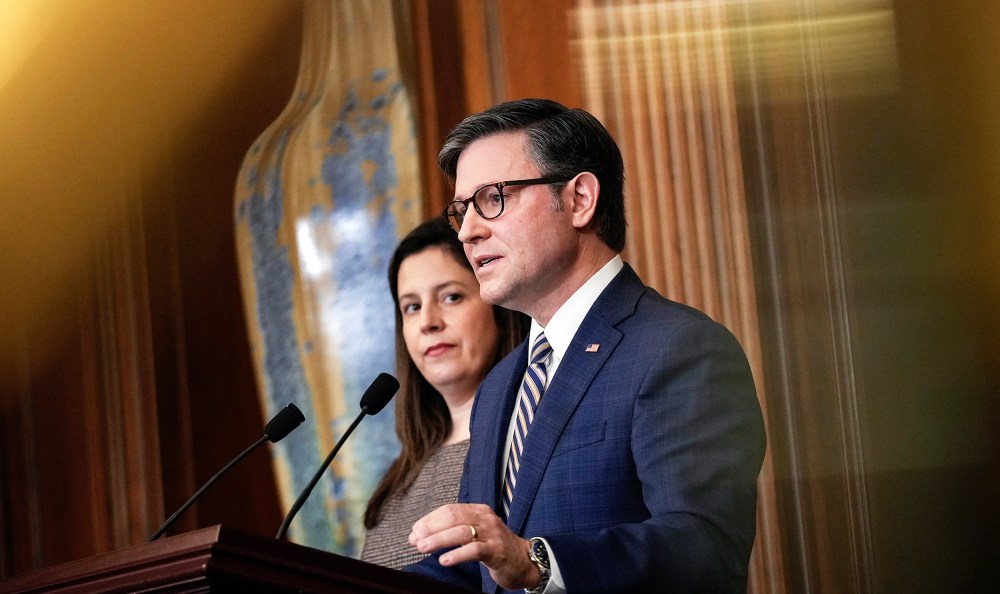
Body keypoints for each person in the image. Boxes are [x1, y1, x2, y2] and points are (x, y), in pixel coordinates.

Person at [404, 98, 766, 593]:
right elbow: (476, 570)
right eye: (462, 210)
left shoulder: (679, 349)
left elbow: (704, 547)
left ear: (579, 199)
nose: (468, 231)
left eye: (492, 198)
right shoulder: (500, 386)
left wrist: (538, 563)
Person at [360, 218, 529, 569]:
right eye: (412, 306)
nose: (428, 322)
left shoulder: (530, 436)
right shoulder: (402, 472)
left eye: (451, 297)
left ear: (498, 308)